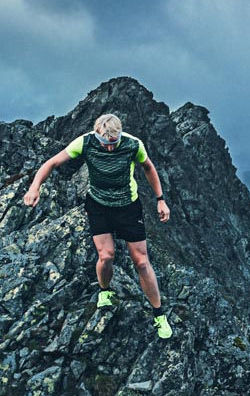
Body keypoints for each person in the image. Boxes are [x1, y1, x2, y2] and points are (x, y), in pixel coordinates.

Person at [23, 113, 173, 339]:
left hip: (128, 207)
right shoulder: (85, 142)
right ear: (97, 136)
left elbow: (148, 168)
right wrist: (34, 187)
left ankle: (159, 315)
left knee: (141, 262)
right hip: (99, 206)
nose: (110, 148)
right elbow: (52, 163)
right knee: (106, 256)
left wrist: (160, 199)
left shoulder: (133, 145)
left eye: (114, 143)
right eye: (105, 144)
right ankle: (105, 291)